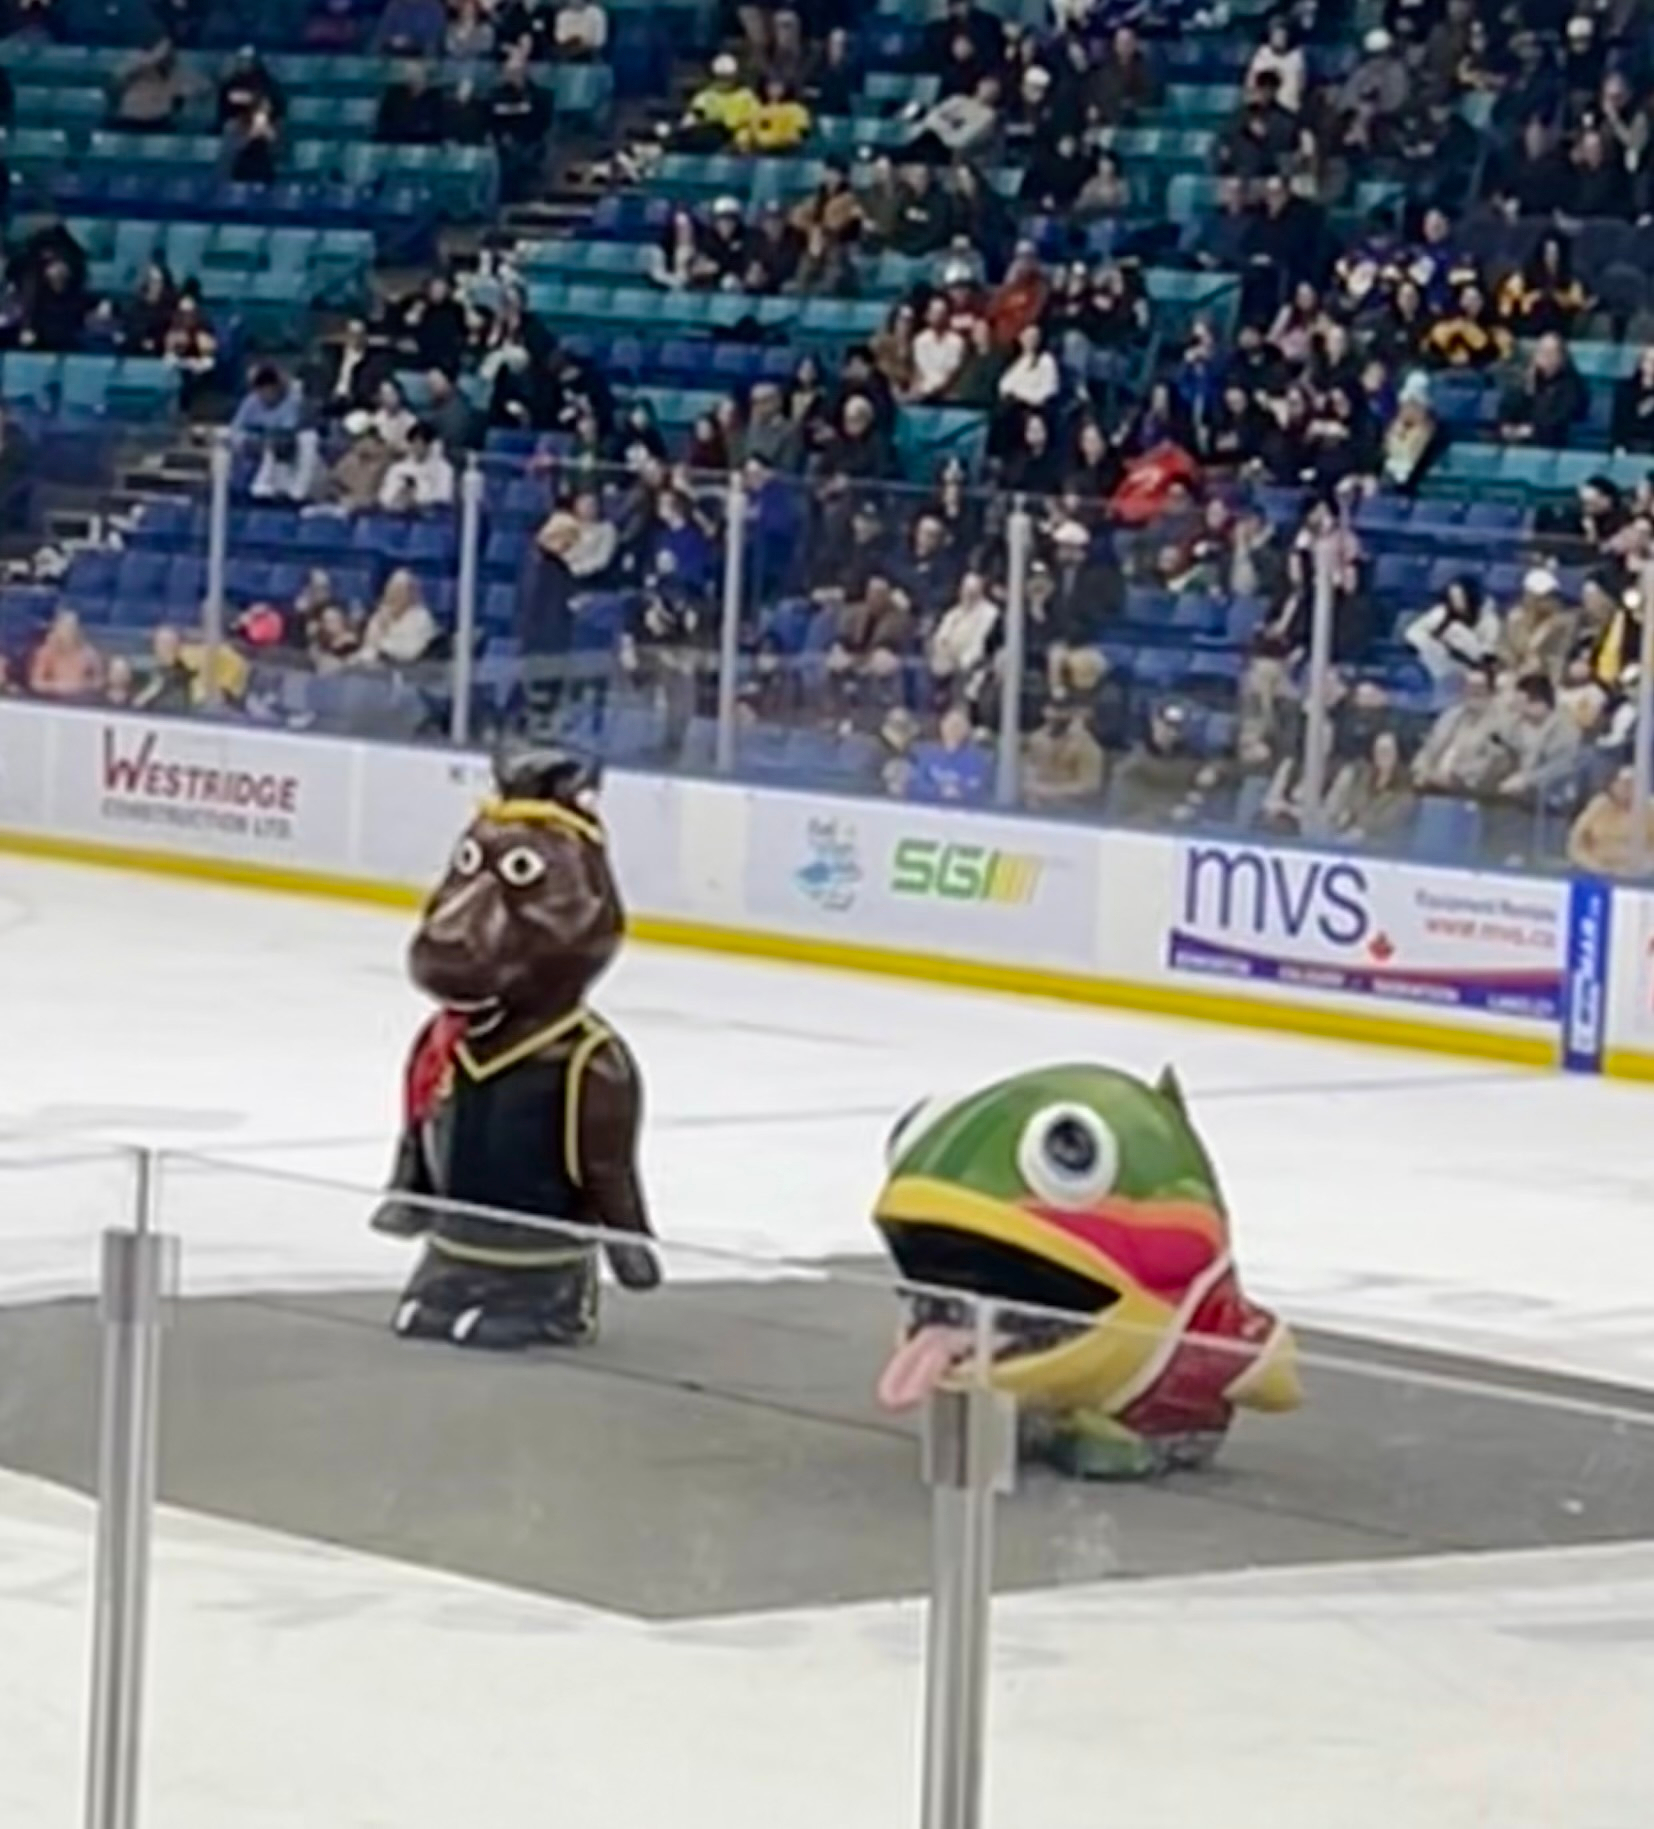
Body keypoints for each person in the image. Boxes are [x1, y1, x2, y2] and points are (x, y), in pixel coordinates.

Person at [1568, 765, 1654, 875]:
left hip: (1639, 876)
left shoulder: (1650, 809)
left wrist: (1643, 869)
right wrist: (1594, 866)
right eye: (1625, 783)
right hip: (1597, 871)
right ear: (1613, 785)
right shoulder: (1598, 806)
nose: (1628, 789)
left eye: (1633, 784)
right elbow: (1576, 843)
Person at [356, 569, 438, 667]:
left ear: (410, 593)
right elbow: (369, 645)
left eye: (401, 591)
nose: (395, 595)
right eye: (393, 590)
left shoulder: (421, 617)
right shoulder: (380, 615)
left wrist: (382, 646)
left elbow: (410, 652)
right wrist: (381, 627)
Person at [28, 608, 104, 698]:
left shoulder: (88, 653)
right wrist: (57, 686)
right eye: (65, 628)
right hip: (52, 701)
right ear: (57, 629)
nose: (68, 632)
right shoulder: (46, 652)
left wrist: (83, 686)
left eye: (71, 628)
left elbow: (100, 681)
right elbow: (36, 683)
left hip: (81, 701)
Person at [379, 422, 456, 511]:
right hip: (397, 516)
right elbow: (384, 497)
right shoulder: (398, 468)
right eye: (413, 443)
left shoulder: (444, 469)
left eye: (420, 443)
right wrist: (398, 495)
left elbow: (443, 497)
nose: (416, 447)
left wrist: (417, 497)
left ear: (429, 445)